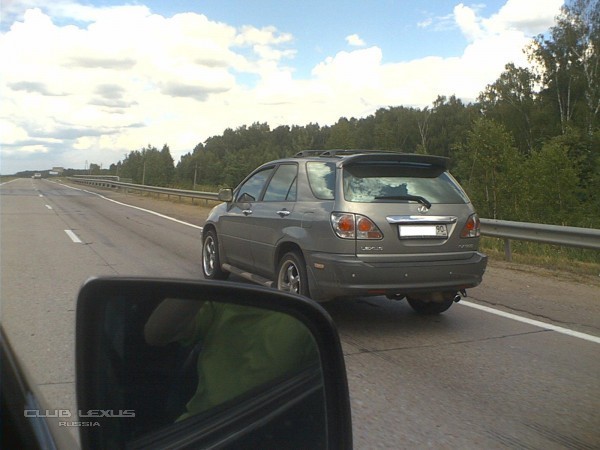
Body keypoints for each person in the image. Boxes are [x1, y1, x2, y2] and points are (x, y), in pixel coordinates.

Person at [144, 298, 319, 420]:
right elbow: (155, 334)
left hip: (254, 435)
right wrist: (208, 284)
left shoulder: (304, 320)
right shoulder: (224, 302)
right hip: (196, 428)